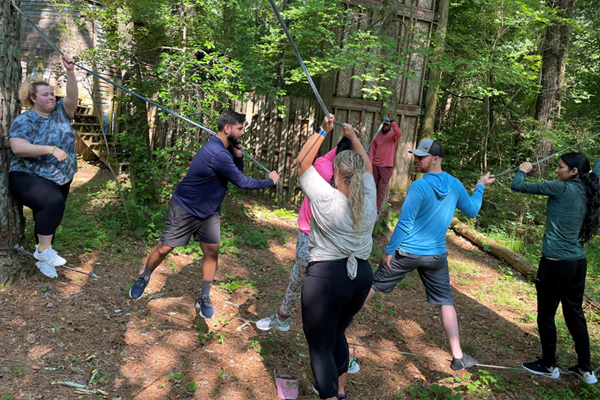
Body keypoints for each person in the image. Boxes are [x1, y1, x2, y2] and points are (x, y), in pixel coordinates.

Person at [128, 110, 280, 319]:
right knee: (164, 247)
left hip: (209, 213)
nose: (243, 132)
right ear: (227, 128)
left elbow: (234, 172)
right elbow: (242, 181)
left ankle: (204, 297)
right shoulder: (216, 153)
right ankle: (144, 277)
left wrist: (238, 155)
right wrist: (270, 181)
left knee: (212, 251)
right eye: (239, 128)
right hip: (185, 207)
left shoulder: (224, 149)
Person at [365, 139, 495, 371]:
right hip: (435, 257)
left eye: (421, 157)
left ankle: (338, 326)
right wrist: (480, 186)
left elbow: (405, 223)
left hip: (407, 252)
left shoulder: (419, 186)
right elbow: (473, 210)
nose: (416, 159)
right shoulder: (454, 184)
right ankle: (458, 356)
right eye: (416, 156)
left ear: (435, 159)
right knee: (446, 301)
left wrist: (388, 250)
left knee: (373, 285)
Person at [256, 136, 362, 374]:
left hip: (335, 238)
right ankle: (285, 318)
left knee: (327, 299)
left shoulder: (353, 173)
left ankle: (337, 353)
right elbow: (301, 161)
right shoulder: (325, 167)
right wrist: (322, 132)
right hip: (310, 233)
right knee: (303, 273)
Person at [297, 115, 377, 400]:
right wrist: (353, 136)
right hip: (360, 279)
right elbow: (367, 166)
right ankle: (340, 392)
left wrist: (322, 131)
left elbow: (302, 163)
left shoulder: (326, 197)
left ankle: (330, 396)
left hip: (328, 280)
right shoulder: (369, 195)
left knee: (320, 345)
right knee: (337, 333)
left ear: (336, 173)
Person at [512, 154, 600, 384]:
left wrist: (523, 169)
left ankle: (549, 364)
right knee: (575, 314)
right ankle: (586, 368)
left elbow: (517, 185)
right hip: (578, 263)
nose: (556, 171)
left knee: (546, 314)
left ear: (573, 172)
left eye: (560, 167)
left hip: (555, 263)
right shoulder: (591, 186)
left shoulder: (559, 188)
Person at [9, 55, 78, 278]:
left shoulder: (60, 111)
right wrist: (49, 148)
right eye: (45, 94)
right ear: (33, 98)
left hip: (60, 175)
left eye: (52, 93)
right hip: (27, 174)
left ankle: (44, 257)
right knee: (53, 202)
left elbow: (72, 96)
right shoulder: (25, 120)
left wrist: (69, 72)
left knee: (51, 213)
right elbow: (18, 147)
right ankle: (44, 251)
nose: (51, 97)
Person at [368, 111, 402, 215]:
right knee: (373, 187)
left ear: (390, 126)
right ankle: (370, 208)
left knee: (381, 190)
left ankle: (377, 212)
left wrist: (392, 121)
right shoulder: (377, 135)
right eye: (384, 124)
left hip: (386, 167)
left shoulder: (393, 136)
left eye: (388, 124)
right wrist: (370, 164)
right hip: (375, 166)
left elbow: (399, 133)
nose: (386, 126)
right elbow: (372, 151)